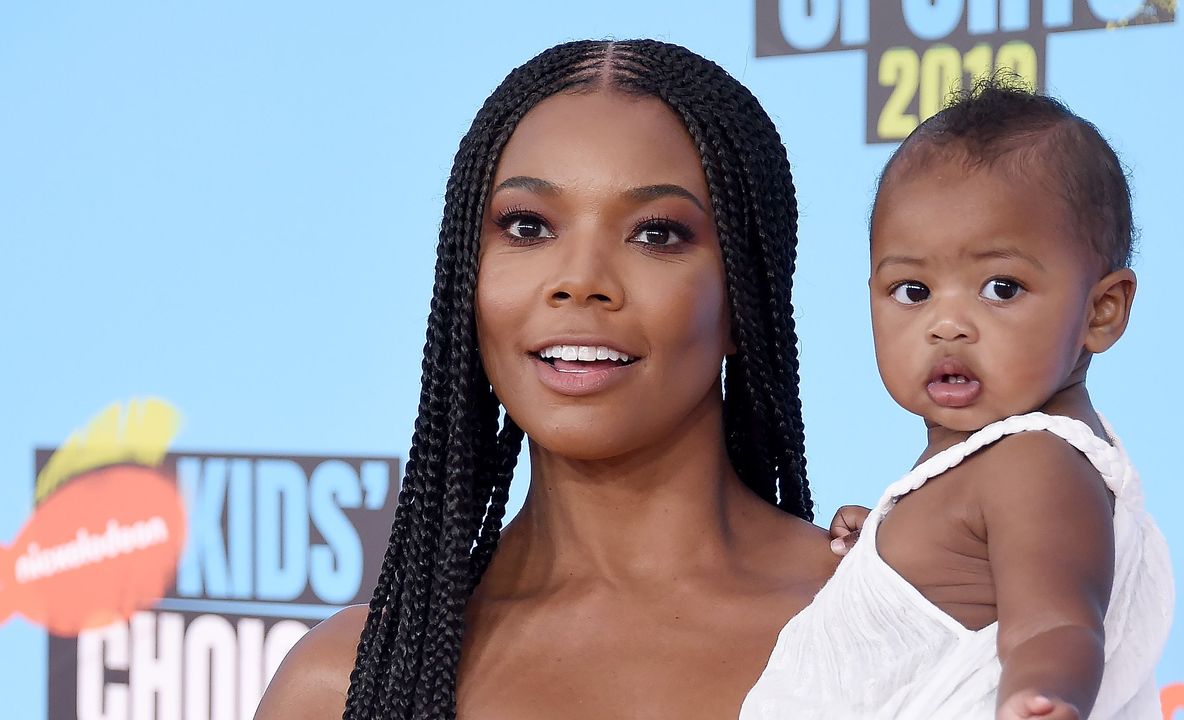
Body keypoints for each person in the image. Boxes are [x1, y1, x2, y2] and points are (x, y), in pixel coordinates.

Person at [254, 39, 838, 720]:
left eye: (655, 234)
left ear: (746, 295)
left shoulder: (890, 617)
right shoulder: (346, 683)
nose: (580, 281)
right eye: (527, 227)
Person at [742, 79, 1174, 719]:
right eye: (912, 291)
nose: (947, 324)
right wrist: (885, 555)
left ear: (1101, 310)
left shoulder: (1036, 463)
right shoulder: (994, 463)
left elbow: (1056, 624)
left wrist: (1044, 695)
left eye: (1001, 287)